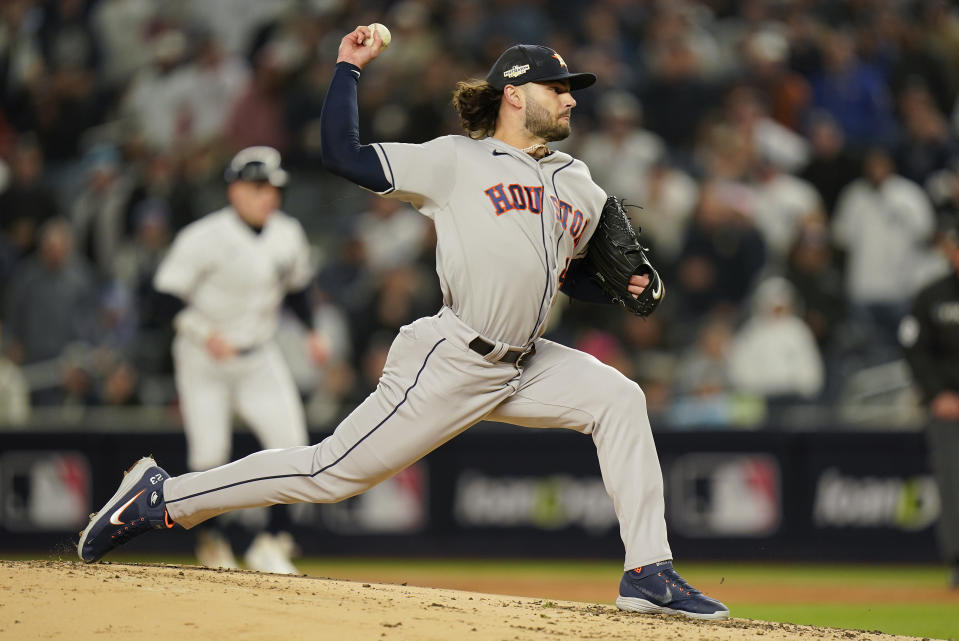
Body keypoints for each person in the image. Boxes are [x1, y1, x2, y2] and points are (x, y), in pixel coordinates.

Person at [77, 27, 729, 620]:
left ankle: (647, 569)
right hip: (452, 358)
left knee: (618, 397)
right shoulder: (454, 161)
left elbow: (572, 274)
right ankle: (165, 498)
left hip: (526, 361)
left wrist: (629, 284)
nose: (570, 101)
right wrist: (347, 68)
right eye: (556, 88)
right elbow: (341, 153)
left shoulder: (577, 182)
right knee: (327, 473)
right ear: (512, 94)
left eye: (570, 90)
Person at [148, 146, 326, 574]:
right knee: (210, 455)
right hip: (203, 359)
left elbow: (298, 288)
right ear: (235, 189)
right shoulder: (204, 236)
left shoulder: (288, 233)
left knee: (295, 449)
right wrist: (203, 333)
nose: (268, 195)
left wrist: (312, 330)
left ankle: (273, 542)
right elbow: (161, 299)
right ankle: (214, 541)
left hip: (259, 355)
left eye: (274, 187)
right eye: (258, 186)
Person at [898, 223, 959, 588]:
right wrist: (938, 393)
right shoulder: (932, 296)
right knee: (954, 483)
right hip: (948, 408)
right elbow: (914, 348)